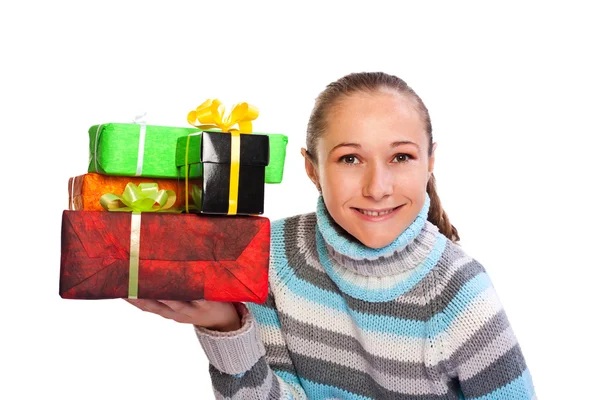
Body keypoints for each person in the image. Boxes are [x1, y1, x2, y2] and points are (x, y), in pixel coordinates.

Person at [126, 72, 537, 399]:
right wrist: (225, 325)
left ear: (430, 161)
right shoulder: (275, 257)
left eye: (401, 156)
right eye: (350, 158)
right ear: (312, 169)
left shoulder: (460, 294)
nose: (378, 187)